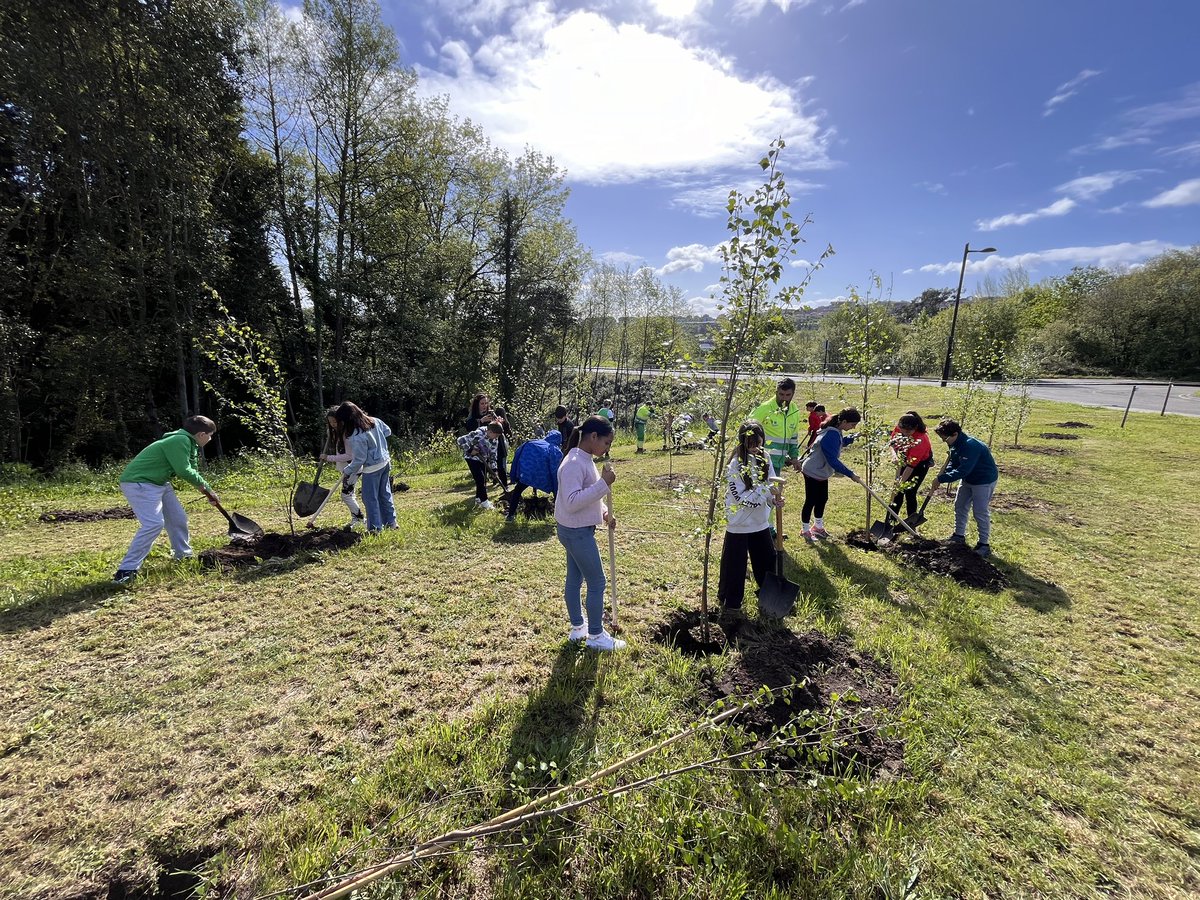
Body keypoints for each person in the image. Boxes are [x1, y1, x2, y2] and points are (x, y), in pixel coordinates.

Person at [112, 415, 220, 584]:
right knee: (153, 524)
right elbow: (183, 471)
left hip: (159, 483)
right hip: (140, 483)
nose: (210, 438)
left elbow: (192, 469)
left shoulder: (190, 444)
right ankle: (126, 570)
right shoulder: (179, 441)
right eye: (210, 435)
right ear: (201, 434)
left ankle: (183, 556)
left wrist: (207, 492)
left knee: (178, 518)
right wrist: (207, 489)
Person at [555, 416, 624, 652]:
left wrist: (604, 513)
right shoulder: (573, 463)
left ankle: (578, 628)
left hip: (574, 530)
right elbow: (572, 502)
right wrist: (604, 484)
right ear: (593, 437)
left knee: (575, 579)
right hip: (576, 532)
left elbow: (587, 495)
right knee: (597, 581)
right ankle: (596, 635)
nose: (608, 448)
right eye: (606, 442)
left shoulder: (585, 459)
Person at [717, 421, 782, 612]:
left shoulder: (766, 457)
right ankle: (731, 603)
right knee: (735, 566)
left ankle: (769, 600)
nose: (755, 448)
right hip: (739, 524)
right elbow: (743, 500)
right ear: (743, 442)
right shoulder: (735, 465)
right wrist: (765, 490)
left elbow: (771, 486)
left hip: (760, 522)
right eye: (750, 444)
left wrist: (774, 499)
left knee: (766, 563)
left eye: (758, 443)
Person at [928, 419, 999, 557]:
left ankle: (984, 545)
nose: (944, 441)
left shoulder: (971, 446)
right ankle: (958, 536)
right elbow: (954, 464)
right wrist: (943, 475)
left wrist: (941, 479)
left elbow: (962, 471)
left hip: (983, 480)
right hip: (968, 479)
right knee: (960, 506)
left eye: (945, 438)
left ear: (955, 434)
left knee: (980, 512)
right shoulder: (955, 444)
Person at [799, 407, 864, 540]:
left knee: (822, 499)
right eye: (852, 425)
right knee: (811, 500)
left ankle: (818, 527)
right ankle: (805, 530)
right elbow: (833, 461)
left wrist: (855, 437)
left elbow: (841, 442)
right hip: (813, 471)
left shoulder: (837, 430)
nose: (853, 427)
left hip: (821, 472)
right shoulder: (831, 434)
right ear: (844, 421)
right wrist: (851, 474)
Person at [336, 402, 396, 533]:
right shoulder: (375, 421)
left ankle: (375, 529)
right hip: (385, 462)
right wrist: (377, 441)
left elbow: (359, 460)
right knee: (384, 494)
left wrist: (347, 471)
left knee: (369, 498)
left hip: (372, 469)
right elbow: (388, 431)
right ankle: (391, 523)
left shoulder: (356, 436)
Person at [305, 406, 366, 530]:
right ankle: (358, 518)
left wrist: (328, 458)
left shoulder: (347, 435)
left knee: (346, 495)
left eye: (335, 422)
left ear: (342, 420)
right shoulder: (336, 432)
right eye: (330, 422)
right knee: (349, 494)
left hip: (352, 468)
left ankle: (359, 519)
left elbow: (349, 455)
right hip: (347, 468)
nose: (333, 424)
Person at [750, 377, 804, 476]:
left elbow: (793, 438)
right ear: (776, 392)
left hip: (778, 463)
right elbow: (747, 432)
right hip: (761, 462)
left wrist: (794, 458)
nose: (784, 398)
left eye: (788, 395)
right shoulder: (764, 408)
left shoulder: (794, 411)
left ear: (793, 394)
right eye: (781, 394)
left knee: (774, 490)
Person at [506, 430, 563, 522]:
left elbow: (517, 454)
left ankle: (510, 515)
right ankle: (559, 516)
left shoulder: (531, 442)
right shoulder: (555, 451)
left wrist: (514, 475)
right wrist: (556, 490)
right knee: (557, 493)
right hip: (542, 478)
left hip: (526, 475)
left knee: (517, 491)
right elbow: (555, 471)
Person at [887, 411, 934, 519]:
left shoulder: (920, 440)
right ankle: (891, 521)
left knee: (910, 492)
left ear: (915, 428)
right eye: (904, 431)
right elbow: (893, 443)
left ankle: (911, 523)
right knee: (898, 493)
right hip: (904, 458)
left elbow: (911, 466)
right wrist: (894, 455)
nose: (906, 433)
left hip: (919, 465)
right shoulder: (899, 428)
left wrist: (901, 482)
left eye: (909, 431)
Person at [457, 420, 504, 509]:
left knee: (483, 480)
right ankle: (484, 501)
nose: (496, 438)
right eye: (496, 435)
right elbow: (460, 440)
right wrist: (470, 450)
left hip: (482, 460)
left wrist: (494, 470)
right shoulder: (478, 434)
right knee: (480, 479)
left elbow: (493, 455)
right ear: (490, 431)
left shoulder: (495, 440)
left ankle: (478, 498)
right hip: (471, 458)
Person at [493, 405, 513, 490]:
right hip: (502, 443)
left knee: (495, 463)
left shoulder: (495, 423)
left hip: (496, 443)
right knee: (502, 463)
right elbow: (509, 434)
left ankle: (495, 480)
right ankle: (502, 481)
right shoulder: (505, 423)